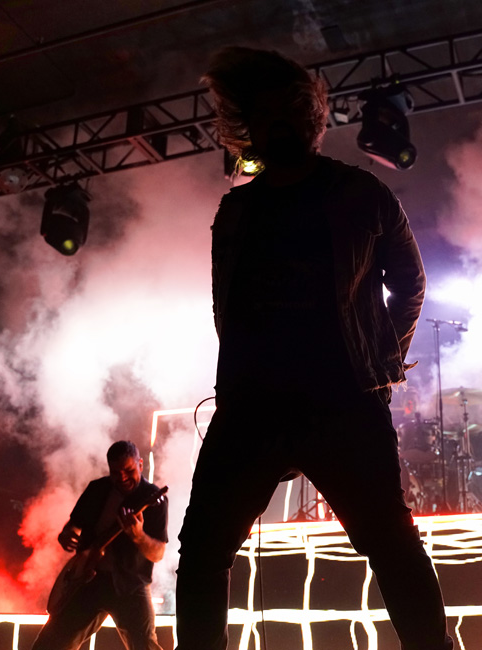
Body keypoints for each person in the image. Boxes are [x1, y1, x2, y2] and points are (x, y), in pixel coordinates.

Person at [174, 47, 452, 650]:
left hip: (341, 398)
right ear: (249, 124)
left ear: (312, 120)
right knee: (201, 548)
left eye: (289, 111)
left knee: (388, 541)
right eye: (264, 113)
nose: (278, 123)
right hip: (253, 405)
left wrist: (380, 363)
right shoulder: (237, 209)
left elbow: (410, 283)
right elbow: (227, 307)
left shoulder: (362, 191)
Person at [31, 440, 168, 650]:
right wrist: (66, 535)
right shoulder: (97, 489)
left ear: (140, 464)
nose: (121, 477)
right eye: (115, 472)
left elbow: (158, 553)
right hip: (88, 580)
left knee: (145, 646)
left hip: (130, 585)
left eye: (128, 470)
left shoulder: (153, 499)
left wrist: (139, 536)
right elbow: (73, 525)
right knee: (50, 644)